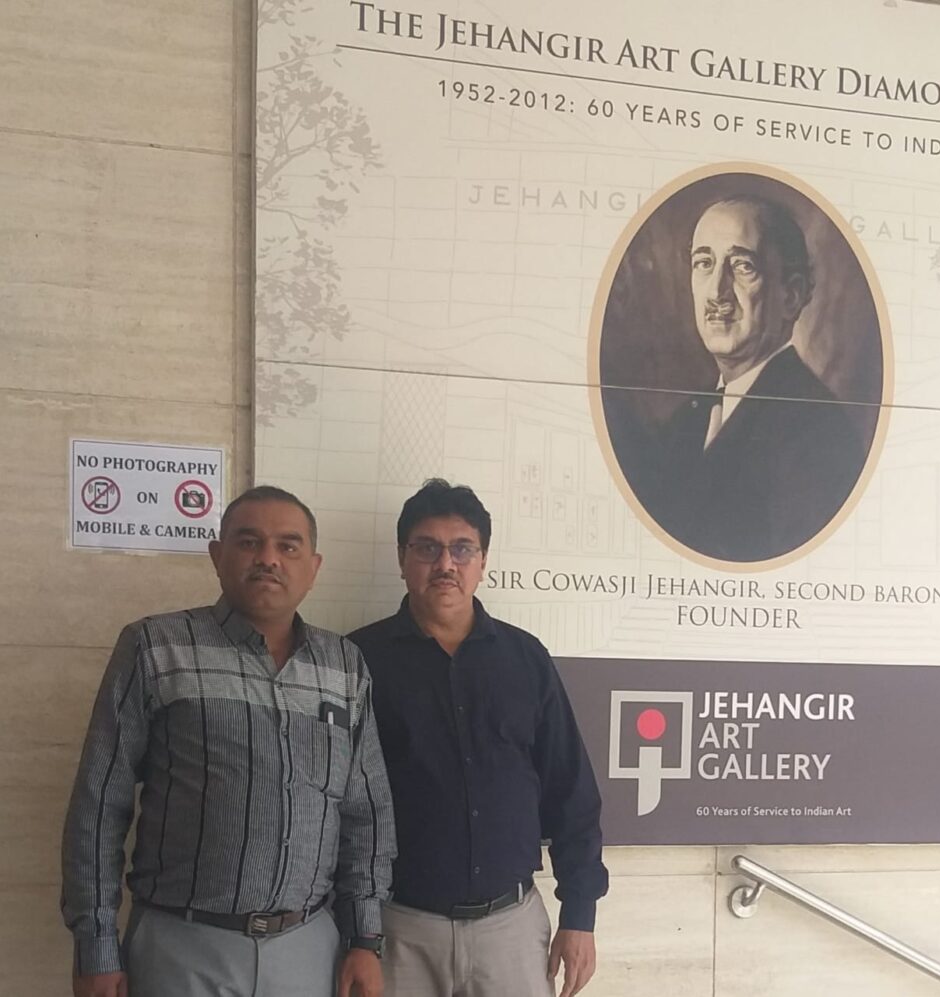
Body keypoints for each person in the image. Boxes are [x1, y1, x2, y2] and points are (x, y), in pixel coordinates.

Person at [62, 485, 396, 997]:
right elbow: (100, 803)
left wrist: (365, 939)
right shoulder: (157, 647)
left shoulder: (344, 666)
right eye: (248, 542)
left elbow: (366, 814)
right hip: (182, 947)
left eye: (288, 546)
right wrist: (97, 947)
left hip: (309, 948)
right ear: (218, 555)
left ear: (313, 567)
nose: (268, 558)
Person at [349, 479, 608, 997]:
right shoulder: (358, 660)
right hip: (399, 931)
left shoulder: (526, 658)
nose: (446, 564)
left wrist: (579, 914)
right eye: (427, 548)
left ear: (483, 561)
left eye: (462, 549)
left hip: (510, 931)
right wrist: (357, 933)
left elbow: (571, 791)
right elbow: (340, 807)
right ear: (402, 559)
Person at [629, 194, 867, 562]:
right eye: (704, 263)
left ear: (791, 295)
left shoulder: (818, 436)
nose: (717, 292)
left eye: (743, 267)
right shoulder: (685, 423)